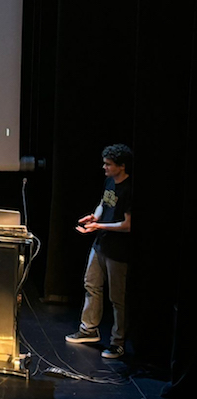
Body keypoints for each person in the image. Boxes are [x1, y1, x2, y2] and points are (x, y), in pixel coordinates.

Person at [65, 144, 133, 359]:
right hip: (101, 244)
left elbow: (128, 225)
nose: (104, 167)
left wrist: (98, 226)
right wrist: (95, 216)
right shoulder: (110, 181)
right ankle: (89, 329)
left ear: (121, 166)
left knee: (117, 298)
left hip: (118, 251)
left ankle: (118, 343)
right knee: (91, 285)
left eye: (108, 164)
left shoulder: (129, 189)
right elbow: (104, 203)